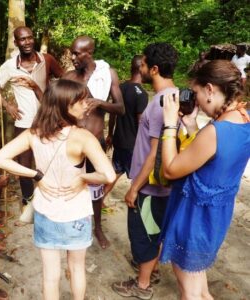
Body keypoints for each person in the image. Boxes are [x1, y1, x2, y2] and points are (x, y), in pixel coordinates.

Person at [0, 79, 116, 300]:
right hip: (76, 213)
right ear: (64, 105)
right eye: (80, 101)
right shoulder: (83, 137)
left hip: (46, 211)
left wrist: (36, 175)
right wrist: (82, 178)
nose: (86, 105)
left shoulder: (34, 133)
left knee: (50, 274)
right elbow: (108, 175)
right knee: (77, 268)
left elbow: (0, 158)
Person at [159, 60, 250, 299]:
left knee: (189, 292)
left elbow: (170, 170)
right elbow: (212, 160)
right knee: (200, 288)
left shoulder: (215, 132)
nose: (195, 99)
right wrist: (190, 128)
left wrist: (170, 124)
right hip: (214, 216)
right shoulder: (244, 117)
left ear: (210, 89)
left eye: (196, 92)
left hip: (193, 218)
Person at [112, 42, 179, 300]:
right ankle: (150, 270)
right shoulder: (173, 95)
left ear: (153, 68)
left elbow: (155, 153)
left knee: (144, 233)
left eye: (143, 65)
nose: (139, 69)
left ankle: (142, 285)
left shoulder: (161, 103)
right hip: (160, 186)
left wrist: (134, 188)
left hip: (150, 187)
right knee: (154, 230)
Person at [0, 26, 63, 213]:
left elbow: (64, 79)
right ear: (16, 42)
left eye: (30, 38)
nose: (27, 42)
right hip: (24, 122)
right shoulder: (10, 66)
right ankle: (28, 201)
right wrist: (6, 104)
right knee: (24, 164)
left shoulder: (47, 59)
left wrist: (54, 97)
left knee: (53, 158)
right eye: (22, 39)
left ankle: (55, 196)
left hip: (48, 119)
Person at [62, 35, 125, 249]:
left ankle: (97, 227)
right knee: (71, 182)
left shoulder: (107, 75)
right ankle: (71, 222)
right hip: (72, 141)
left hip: (95, 140)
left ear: (90, 53)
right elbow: (57, 106)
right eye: (72, 52)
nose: (72, 57)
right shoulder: (70, 76)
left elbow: (120, 108)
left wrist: (99, 102)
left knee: (96, 187)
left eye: (77, 53)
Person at [106, 54, 148, 194]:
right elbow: (141, 123)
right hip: (133, 145)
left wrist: (111, 134)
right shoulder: (141, 94)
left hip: (119, 140)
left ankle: (99, 199)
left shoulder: (121, 87)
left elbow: (113, 112)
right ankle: (135, 202)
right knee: (139, 177)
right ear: (142, 68)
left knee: (116, 171)